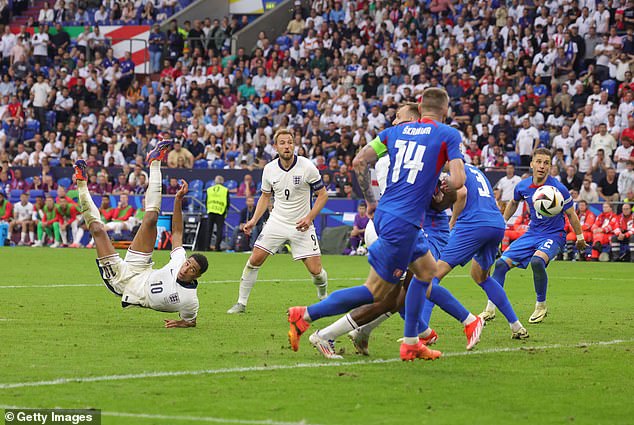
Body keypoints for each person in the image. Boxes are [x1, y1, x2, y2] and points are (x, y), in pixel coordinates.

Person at [287, 88, 475, 362]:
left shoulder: (392, 133)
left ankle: (412, 341)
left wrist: (369, 200)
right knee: (375, 292)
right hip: (405, 221)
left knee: (426, 272)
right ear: (445, 110)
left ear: (420, 108)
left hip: (388, 213)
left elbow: (360, 160)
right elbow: (458, 181)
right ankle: (304, 316)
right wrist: (441, 183)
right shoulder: (447, 134)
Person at [73, 139, 209, 328]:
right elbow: (177, 232)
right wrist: (178, 200)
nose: (185, 268)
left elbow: (191, 321)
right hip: (141, 268)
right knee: (151, 218)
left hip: (123, 282)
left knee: (98, 230)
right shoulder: (180, 262)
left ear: (196, 277)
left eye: (192, 270)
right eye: (188, 264)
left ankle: (81, 183)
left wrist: (179, 323)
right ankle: (155, 161)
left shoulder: (189, 299)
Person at [226, 129, 329, 314]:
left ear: (294, 145)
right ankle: (240, 303)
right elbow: (265, 197)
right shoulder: (269, 169)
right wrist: (253, 220)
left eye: (290, 142)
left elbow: (322, 195)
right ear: (276, 147)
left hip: (302, 225)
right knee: (254, 260)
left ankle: (323, 297)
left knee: (316, 271)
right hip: (277, 222)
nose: (287, 146)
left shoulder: (307, 166)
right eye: (282, 143)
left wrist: (309, 217)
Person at [479, 148, 587, 324]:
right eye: (538, 162)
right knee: (500, 264)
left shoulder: (558, 189)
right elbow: (513, 202)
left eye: (546, 163)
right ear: (531, 164)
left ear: (550, 166)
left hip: (554, 235)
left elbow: (571, 214)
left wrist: (580, 237)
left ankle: (541, 305)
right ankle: (490, 308)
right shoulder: (522, 186)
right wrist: (501, 224)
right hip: (532, 233)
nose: (542, 166)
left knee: (537, 262)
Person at [206, 175, 230, 251]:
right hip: (220, 211)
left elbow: (206, 201)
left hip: (211, 211)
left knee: (209, 230)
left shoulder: (209, 189)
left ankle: (207, 247)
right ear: (223, 182)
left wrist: (208, 209)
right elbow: (228, 202)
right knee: (219, 230)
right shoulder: (225, 190)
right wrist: (226, 211)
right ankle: (217, 247)